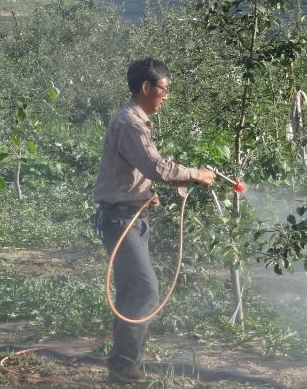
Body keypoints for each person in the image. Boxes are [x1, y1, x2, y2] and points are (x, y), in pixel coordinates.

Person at [93, 57, 216, 384]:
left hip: (129, 216)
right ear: (146, 87)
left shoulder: (134, 119)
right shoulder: (131, 123)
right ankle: (125, 367)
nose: (166, 95)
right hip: (121, 221)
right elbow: (156, 167)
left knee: (132, 292)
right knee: (146, 291)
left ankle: (122, 364)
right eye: (163, 88)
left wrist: (144, 192)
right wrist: (196, 175)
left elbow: (136, 171)